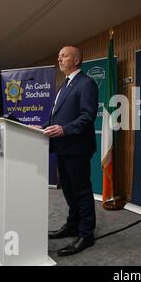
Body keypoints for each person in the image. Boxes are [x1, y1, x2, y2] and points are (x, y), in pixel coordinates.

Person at [43, 46, 98, 256]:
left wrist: (64, 129)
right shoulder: (64, 84)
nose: (59, 58)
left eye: (64, 55)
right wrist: (46, 127)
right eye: (58, 56)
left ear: (76, 60)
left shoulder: (86, 83)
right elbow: (59, 116)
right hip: (63, 147)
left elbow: (87, 116)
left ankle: (86, 234)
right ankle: (73, 224)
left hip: (77, 148)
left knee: (81, 191)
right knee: (67, 189)